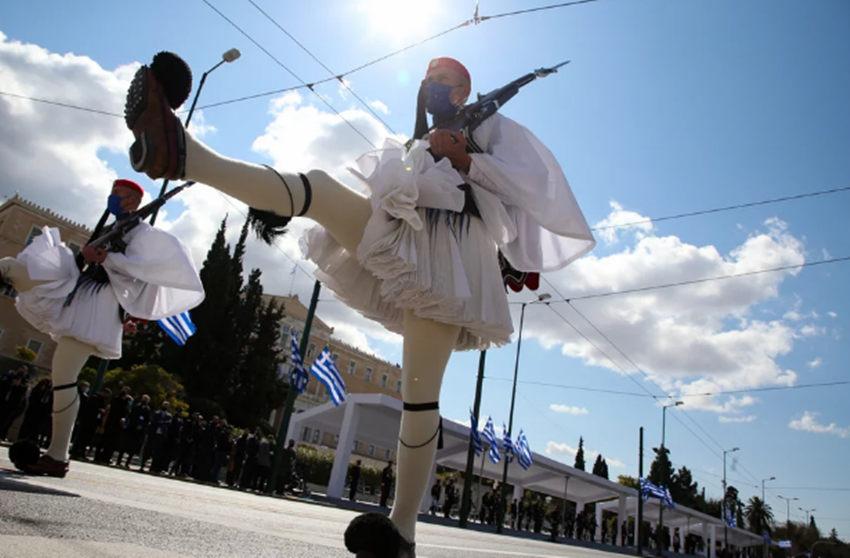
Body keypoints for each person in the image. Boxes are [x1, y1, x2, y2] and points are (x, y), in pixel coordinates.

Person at [123, 52, 594, 557]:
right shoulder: (420, 136)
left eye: (444, 80)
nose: (433, 86)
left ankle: (403, 532)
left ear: (464, 90)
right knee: (320, 190)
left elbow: (535, 185)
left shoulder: (493, 123)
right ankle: (185, 154)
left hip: (452, 257)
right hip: (399, 229)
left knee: (419, 396)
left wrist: (465, 157)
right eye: (428, 78)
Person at [0, 178, 204, 477]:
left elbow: (147, 271)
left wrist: (109, 259)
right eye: (113, 193)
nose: (114, 198)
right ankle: (57, 454)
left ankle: (58, 455)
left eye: (120, 195)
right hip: (83, 290)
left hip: (98, 303)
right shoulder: (114, 226)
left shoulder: (142, 232)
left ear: (134, 201)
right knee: (11, 266)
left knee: (64, 376)